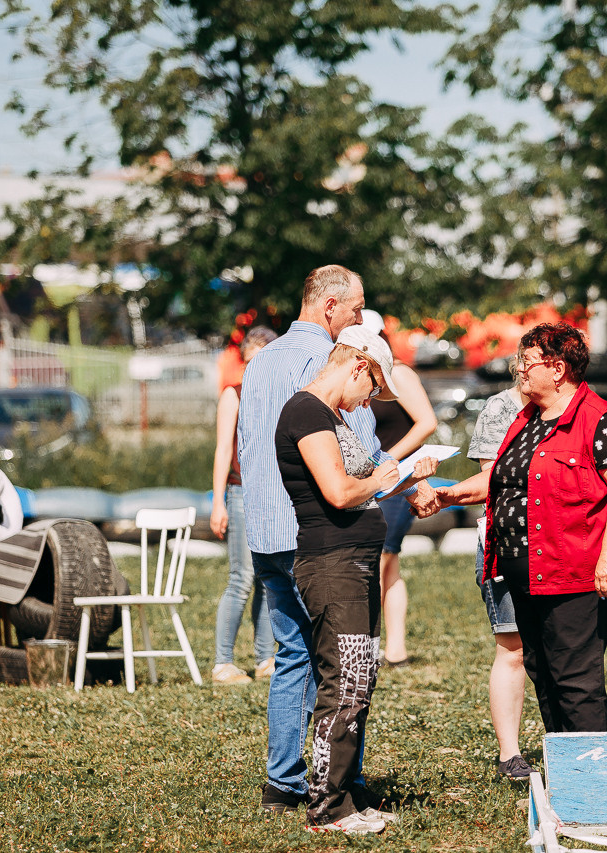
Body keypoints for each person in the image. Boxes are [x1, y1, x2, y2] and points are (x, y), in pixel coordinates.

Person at [238, 264, 437, 817]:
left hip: (268, 527)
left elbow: (249, 447)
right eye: (355, 309)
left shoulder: (259, 363)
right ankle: (342, 786)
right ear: (330, 308)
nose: (357, 318)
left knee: (292, 656)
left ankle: (283, 781)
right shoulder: (329, 370)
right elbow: (357, 456)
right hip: (323, 532)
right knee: (344, 666)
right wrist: (398, 478)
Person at [429, 323, 607, 733]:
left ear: (557, 369)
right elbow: (500, 478)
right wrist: (447, 496)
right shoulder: (527, 419)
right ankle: (565, 774)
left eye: (527, 361)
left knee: (574, 677)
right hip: (528, 570)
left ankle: (592, 778)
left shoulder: (601, 419)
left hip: (577, 572)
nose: (519, 369)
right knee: (543, 670)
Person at [276, 326, 439, 833]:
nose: (370, 400)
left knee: (359, 679)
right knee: (344, 683)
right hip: (333, 564)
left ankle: (343, 796)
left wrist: (407, 474)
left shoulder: (332, 417)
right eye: (373, 387)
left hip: (354, 563)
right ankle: (326, 808)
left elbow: (363, 473)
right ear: (357, 366)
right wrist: (387, 478)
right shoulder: (305, 412)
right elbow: (342, 491)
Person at [361, 310, 437, 667]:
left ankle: (368, 647)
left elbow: (427, 422)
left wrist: (386, 458)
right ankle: (395, 651)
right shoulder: (365, 378)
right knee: (389, 567)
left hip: (396, 479)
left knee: (381, 560)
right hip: (375, 479)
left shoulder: (399, 373)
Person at [465, 374, 531, 779]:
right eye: (524, 363)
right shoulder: (500, 409)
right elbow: (492, 479)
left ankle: (570, 741)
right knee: (513, 648)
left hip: (563, 543)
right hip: (507, 541)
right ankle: (510, 753)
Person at [209, 326, 279, 684]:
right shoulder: (233, 395)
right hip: (240, 494)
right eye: (250, 362)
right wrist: (218, 502)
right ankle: (223, 662)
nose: (255, 369)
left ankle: (265, 658)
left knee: (270, 578)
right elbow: (223, 450)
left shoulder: (280, 396)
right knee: (242, 577)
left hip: (273, 495)